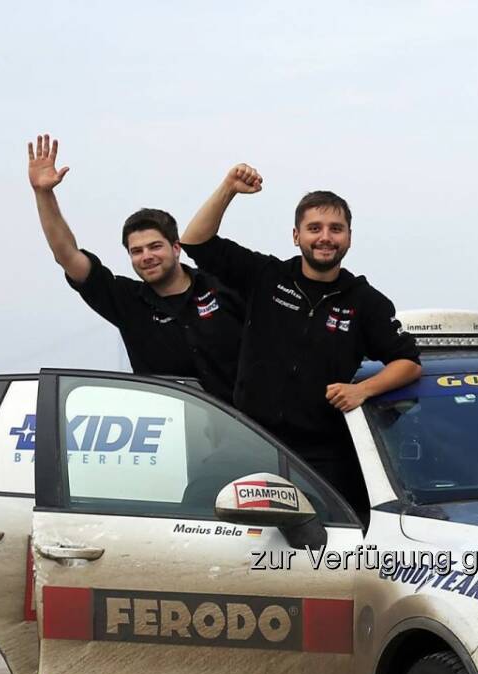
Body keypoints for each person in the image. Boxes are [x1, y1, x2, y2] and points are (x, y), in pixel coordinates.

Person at [180, 164, 421, 514]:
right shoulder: (266, 276)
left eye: (335, 229)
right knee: (205, 520)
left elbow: (409, 363)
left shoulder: (365, 301)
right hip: (251, 440)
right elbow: (195, 241)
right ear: (296, 236)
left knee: (333, 545)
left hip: (323, 456)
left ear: (349, 237)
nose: (325, 237)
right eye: (314, 228)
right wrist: (228, 189)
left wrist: (361, 390)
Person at [26, 135, 244, 402]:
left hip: (244, 432)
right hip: (170, 435)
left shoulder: (223, 287)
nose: (147, 256)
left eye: (155, 246)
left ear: (176, 248)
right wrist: (43, 193)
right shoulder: (127, 301)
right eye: (136, 251)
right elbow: (67, 256)